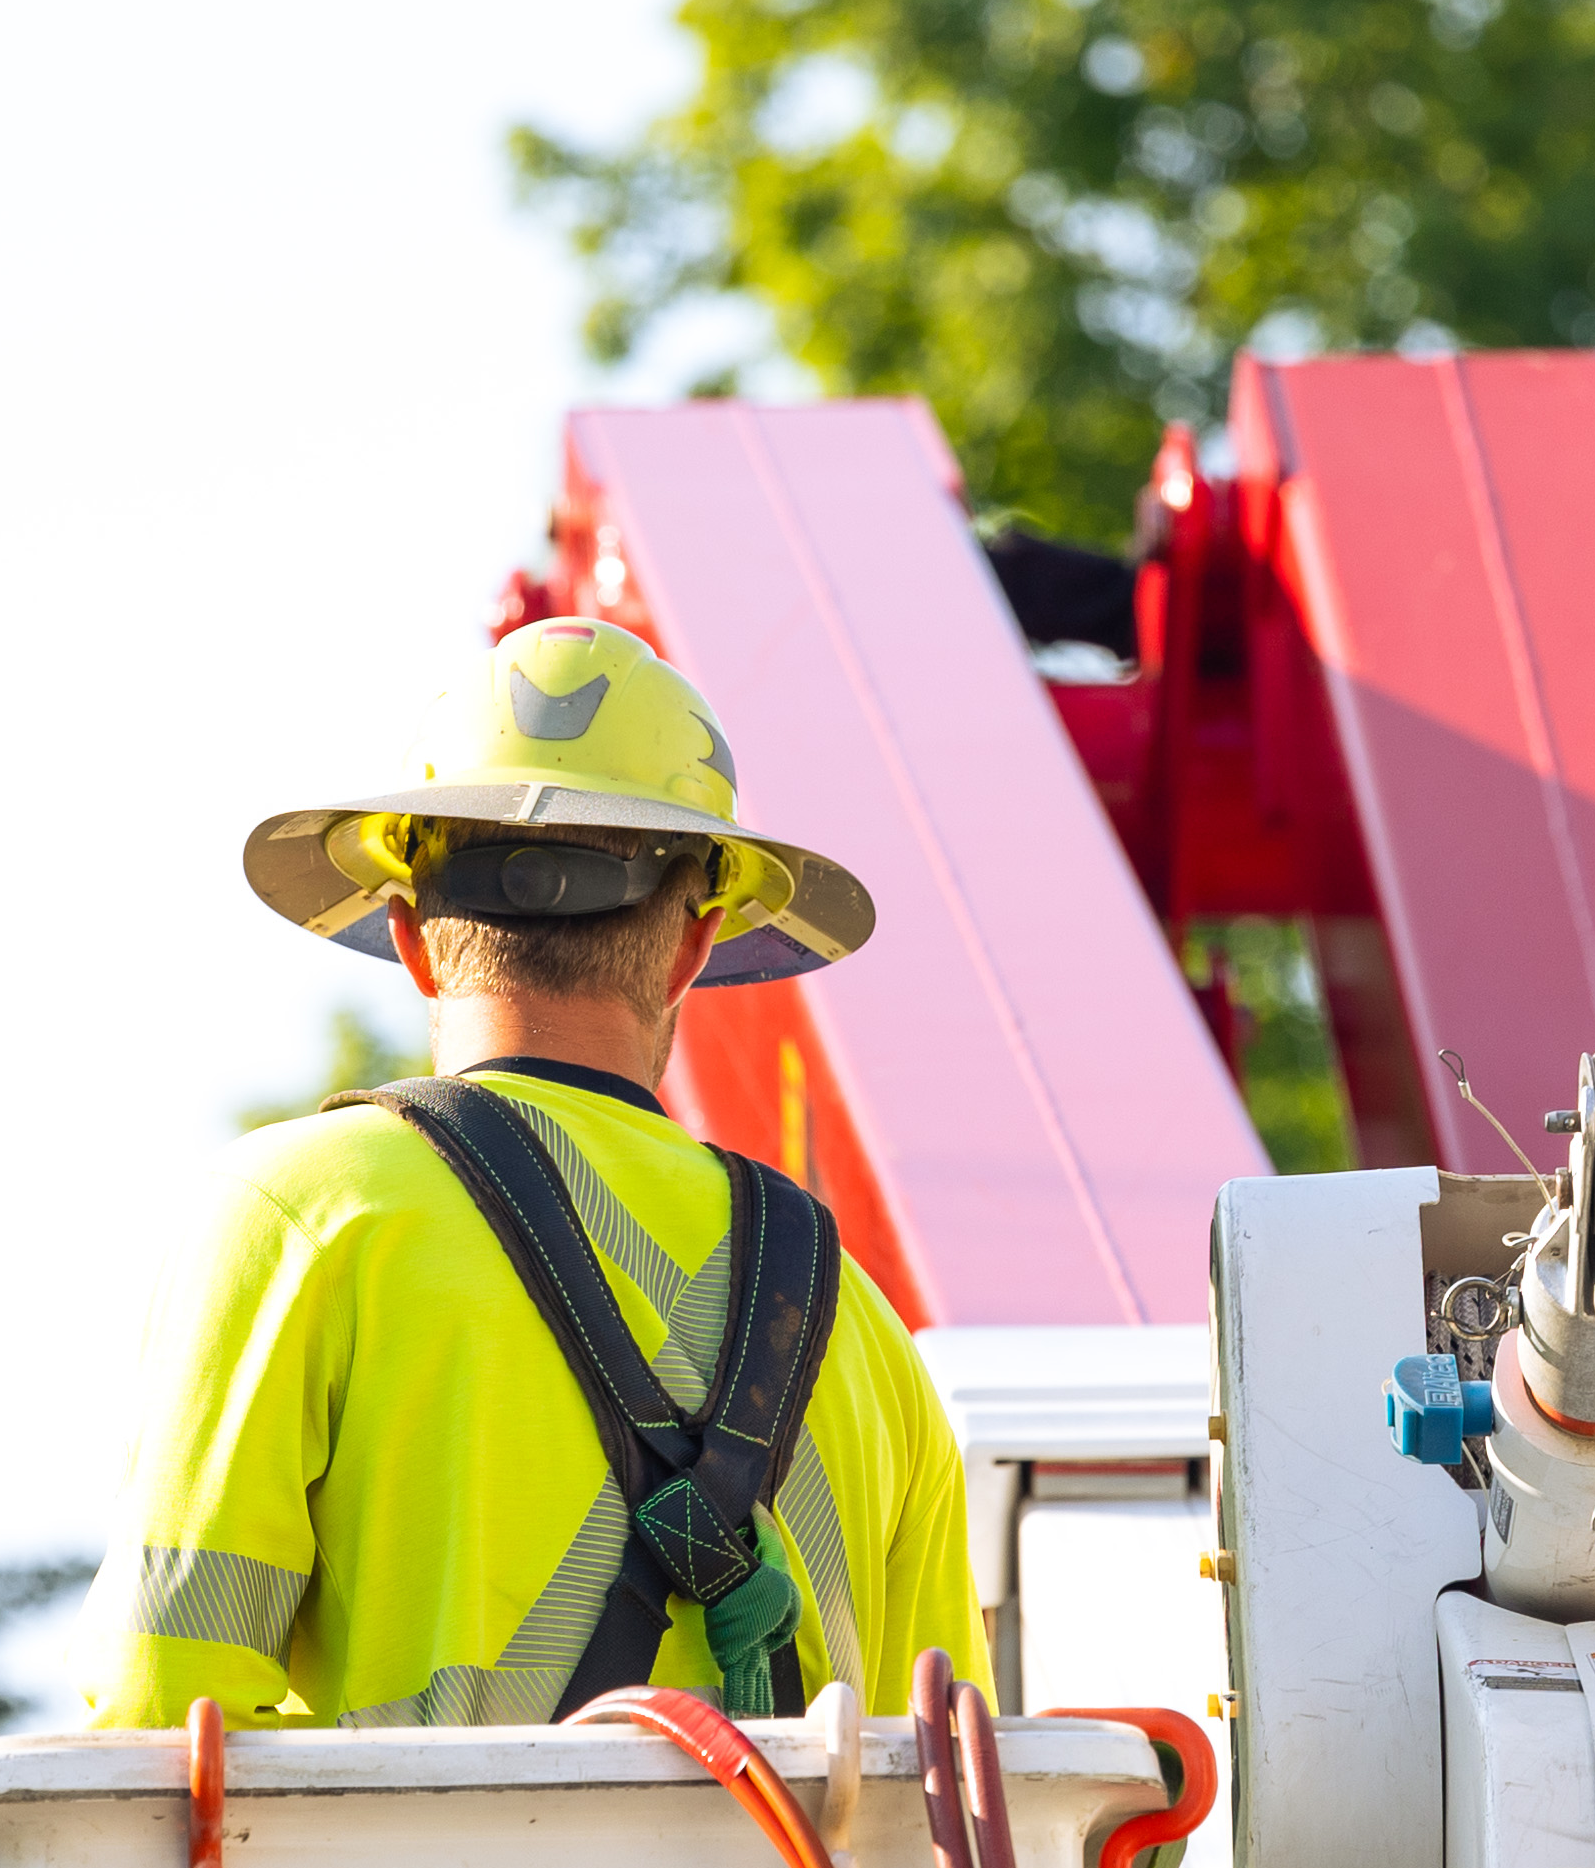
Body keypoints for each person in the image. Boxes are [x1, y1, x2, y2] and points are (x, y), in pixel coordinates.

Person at [80, 618, 990, 1733]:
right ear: (695, 945)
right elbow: (956, 1781)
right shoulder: (858, 1320)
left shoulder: (295, 1218)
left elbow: (158, 1719)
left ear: (409, 938)